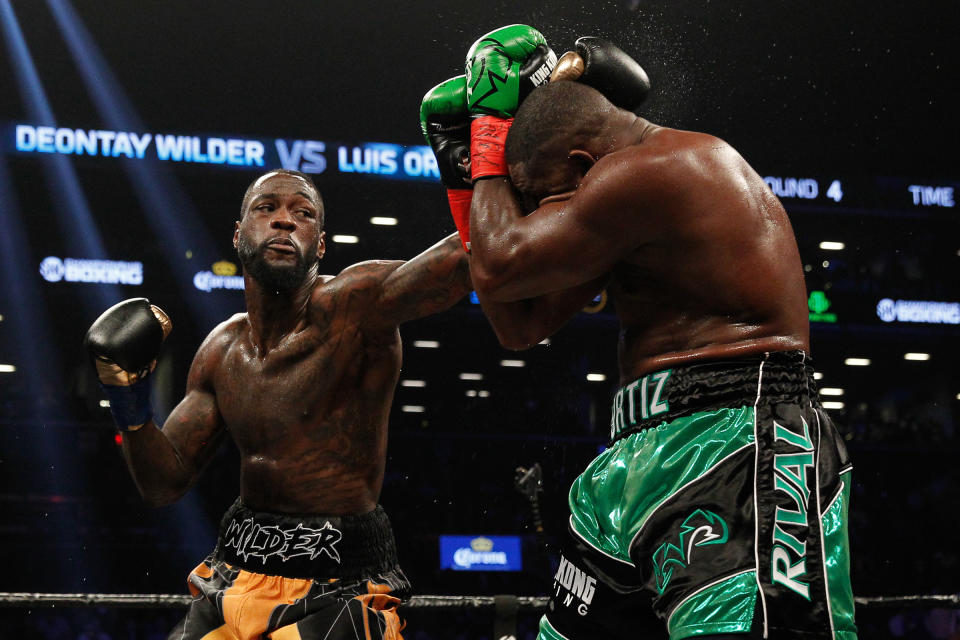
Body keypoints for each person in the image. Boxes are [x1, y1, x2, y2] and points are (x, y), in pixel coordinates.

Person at [456, 27, 858, 640]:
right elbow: (517, 320)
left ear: (582, 165)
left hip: (736, 440)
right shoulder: (619, 212)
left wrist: (485, 128)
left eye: (541, 199)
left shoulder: (658, 169)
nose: (545, 216)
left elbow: (502, 261)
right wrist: (460, 168)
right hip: (635, 456)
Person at [84, 168, 471, 640]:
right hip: (236, 565)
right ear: (238, 233)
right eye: (267, 208)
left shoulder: (355, 307)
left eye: (303, 213)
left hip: (339, 577)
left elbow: (464, 259)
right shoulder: (222, 349)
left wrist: (489, 165)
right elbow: (163, 483)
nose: (284, 221)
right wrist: (128, 399)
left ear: (321, 244)